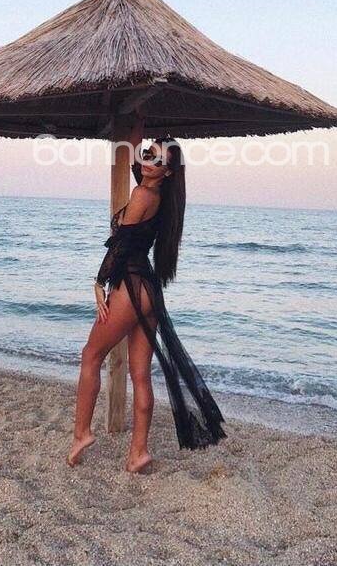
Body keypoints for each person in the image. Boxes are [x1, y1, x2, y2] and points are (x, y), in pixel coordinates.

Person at [67, 127, 227, 472]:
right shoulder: (161, 196)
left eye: (157, 159)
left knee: (91, 355)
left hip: (130, 286)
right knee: (141, 374)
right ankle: (138, 452)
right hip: (149, 290)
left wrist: (99, 282)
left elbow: (121, 244)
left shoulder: (142, 194)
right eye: (149, 154)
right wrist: (140, 132)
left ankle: (82, 434)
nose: (148, 160)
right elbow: (138, 162)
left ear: (167, 172)